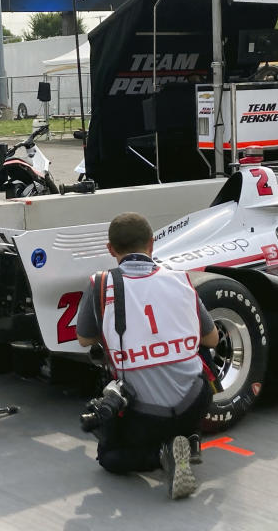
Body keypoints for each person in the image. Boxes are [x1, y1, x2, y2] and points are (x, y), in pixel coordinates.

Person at [75, 212, 218, 500]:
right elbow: (212, 338)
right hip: (195, 402)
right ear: (152, 244)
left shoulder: (101, 283)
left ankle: (160, 454)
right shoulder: (181, 279)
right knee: (199, 347)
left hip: (144, 416)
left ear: (111, 250)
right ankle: (188, 437)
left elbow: (84, 339)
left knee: (109, 457)